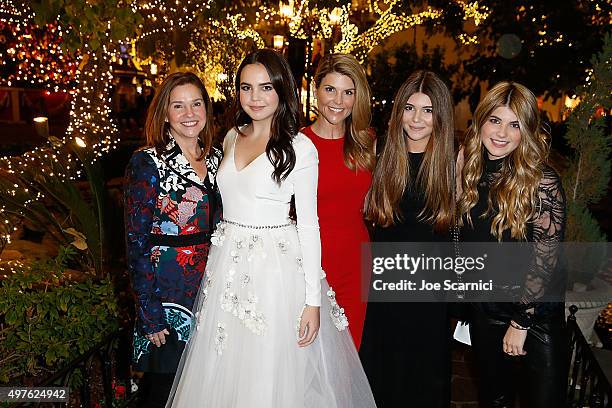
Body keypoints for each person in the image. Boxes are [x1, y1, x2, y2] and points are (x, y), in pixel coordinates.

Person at [166, 49, 376, 408]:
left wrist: (312, 302)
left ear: (282, 90)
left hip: (276, 274)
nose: (255, 97)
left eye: (265, 87)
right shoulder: (231, 136)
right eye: (246, 88)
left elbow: (309, 226)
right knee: (225, 370)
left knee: (270, 374)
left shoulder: (300, 147)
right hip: (227, 271)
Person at [457, 81, 567, 407]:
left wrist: (521, 322)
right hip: (485, 311)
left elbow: (545, 258)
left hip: (535, 316)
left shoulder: (542, 181)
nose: (502, 132)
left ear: (527, 131)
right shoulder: (469, 170)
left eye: (514, 124)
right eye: (495, 120)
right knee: (495, 400)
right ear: (482, 122)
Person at [124, 72, 222, 408]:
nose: (189, 113)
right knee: (163, 392)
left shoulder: (216, 158)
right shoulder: (148, 162)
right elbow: (136, 243)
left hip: (211, 290)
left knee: (203, 389)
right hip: (166, 297)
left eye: (196, 103)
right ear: (164, 113)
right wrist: (150, 314)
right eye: (178, 106)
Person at [360, 70, 456, 408]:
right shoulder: (380, 153)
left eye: (428, 111)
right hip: (384, 288)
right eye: (410, 108)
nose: (417, 119)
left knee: (422, 379)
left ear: (440, 116)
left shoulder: (453, 163)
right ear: (399, 111)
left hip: (429, 295)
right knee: (382, 375)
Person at [301, 53, 375, 348]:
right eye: (330, 89)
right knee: (309, 358)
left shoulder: (367, 142)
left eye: (348, 92)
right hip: (309, 264)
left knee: (348, 357)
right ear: (316, 90)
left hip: (355, 263)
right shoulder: (296, 144)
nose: (338, 100)